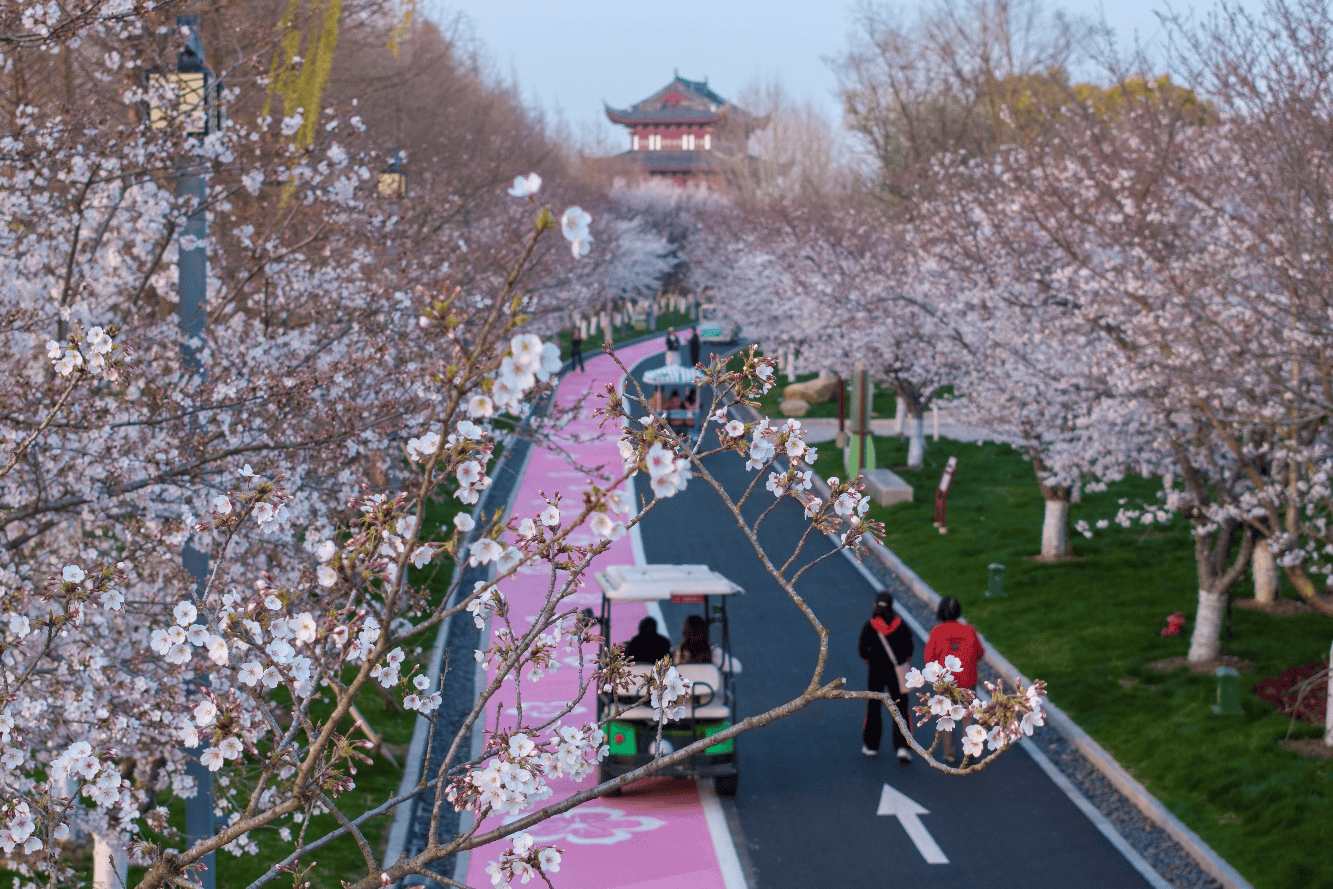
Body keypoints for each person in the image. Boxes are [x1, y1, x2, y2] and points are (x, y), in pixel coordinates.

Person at [924, 595, 985, 763]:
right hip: (968, 679)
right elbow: (980, 653)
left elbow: (929, 657)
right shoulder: (969, 630)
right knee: (968, 716)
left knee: (946, 717)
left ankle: (949, 752)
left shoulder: (937, 632)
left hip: (946, 683)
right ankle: (969, 749)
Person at [858, 591, 915, 761]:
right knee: (901, 709)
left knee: (874, 707)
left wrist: (872, 660)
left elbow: (862, 650)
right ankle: (903, 747)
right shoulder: (901, 625)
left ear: (875, 605)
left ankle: (871, 745)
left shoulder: (870, 626)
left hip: (876, 672)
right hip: (897, 674)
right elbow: (909, 651)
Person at [673, 614, 743, 673]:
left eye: (695, 634)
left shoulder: (713, 652)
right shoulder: (679, 651)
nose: (694, 637)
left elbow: (737, 667)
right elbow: (736, 667)